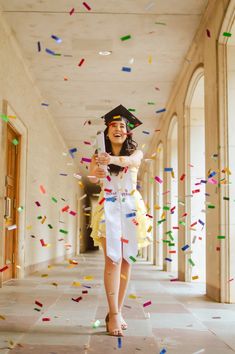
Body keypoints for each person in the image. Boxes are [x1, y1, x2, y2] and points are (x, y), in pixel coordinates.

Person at [88, 105, 152, 337]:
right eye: (113, 125)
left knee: (127, 260)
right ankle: (113, 314)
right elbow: (94, 177)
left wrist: (112, 158)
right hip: (109, 209)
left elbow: (131, 163)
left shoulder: (136, 153)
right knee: (112, 261)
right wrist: (99, 171)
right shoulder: (98, 156)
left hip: (131, 209)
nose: (117, 128)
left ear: (128, 132)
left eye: (122, 126)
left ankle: (118, 310)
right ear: (106, 131)